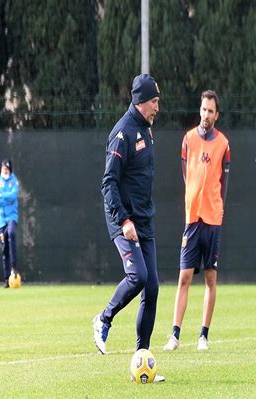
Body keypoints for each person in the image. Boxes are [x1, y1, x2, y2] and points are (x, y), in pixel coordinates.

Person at [93, 74, 164, 381]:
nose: (157, 107)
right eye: (154, 102)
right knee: (138, 276)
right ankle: (103, 318)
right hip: (124, 220)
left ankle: (142, 359)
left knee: (152, 287)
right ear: (140, 101)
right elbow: (108, 183)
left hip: (144, 219)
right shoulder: (122, 133)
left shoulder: (146, 132)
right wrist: (124, 220)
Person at [163, 90, 231, 352]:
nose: (206, 114)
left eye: (210, 111)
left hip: (213, 220)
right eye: (203, 109)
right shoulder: (188, 139)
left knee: (211, 279)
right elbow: (185, 173)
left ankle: (203, 335)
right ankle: (175, 335)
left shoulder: (223, 143)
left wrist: (218, 208)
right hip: (192, 219)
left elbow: (224, 183)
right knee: (184, 277)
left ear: (217, 115)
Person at [0, 159, 19, 287]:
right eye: (3, 168)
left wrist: (3, 196)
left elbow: (13, 196)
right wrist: (4, 199)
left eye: (7, 168)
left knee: (12, 233)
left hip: (12, 217)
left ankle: (14, 266)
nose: (5, 170)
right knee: (4, 249)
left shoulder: (14, 181)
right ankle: (7, 278)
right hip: (1, 221)